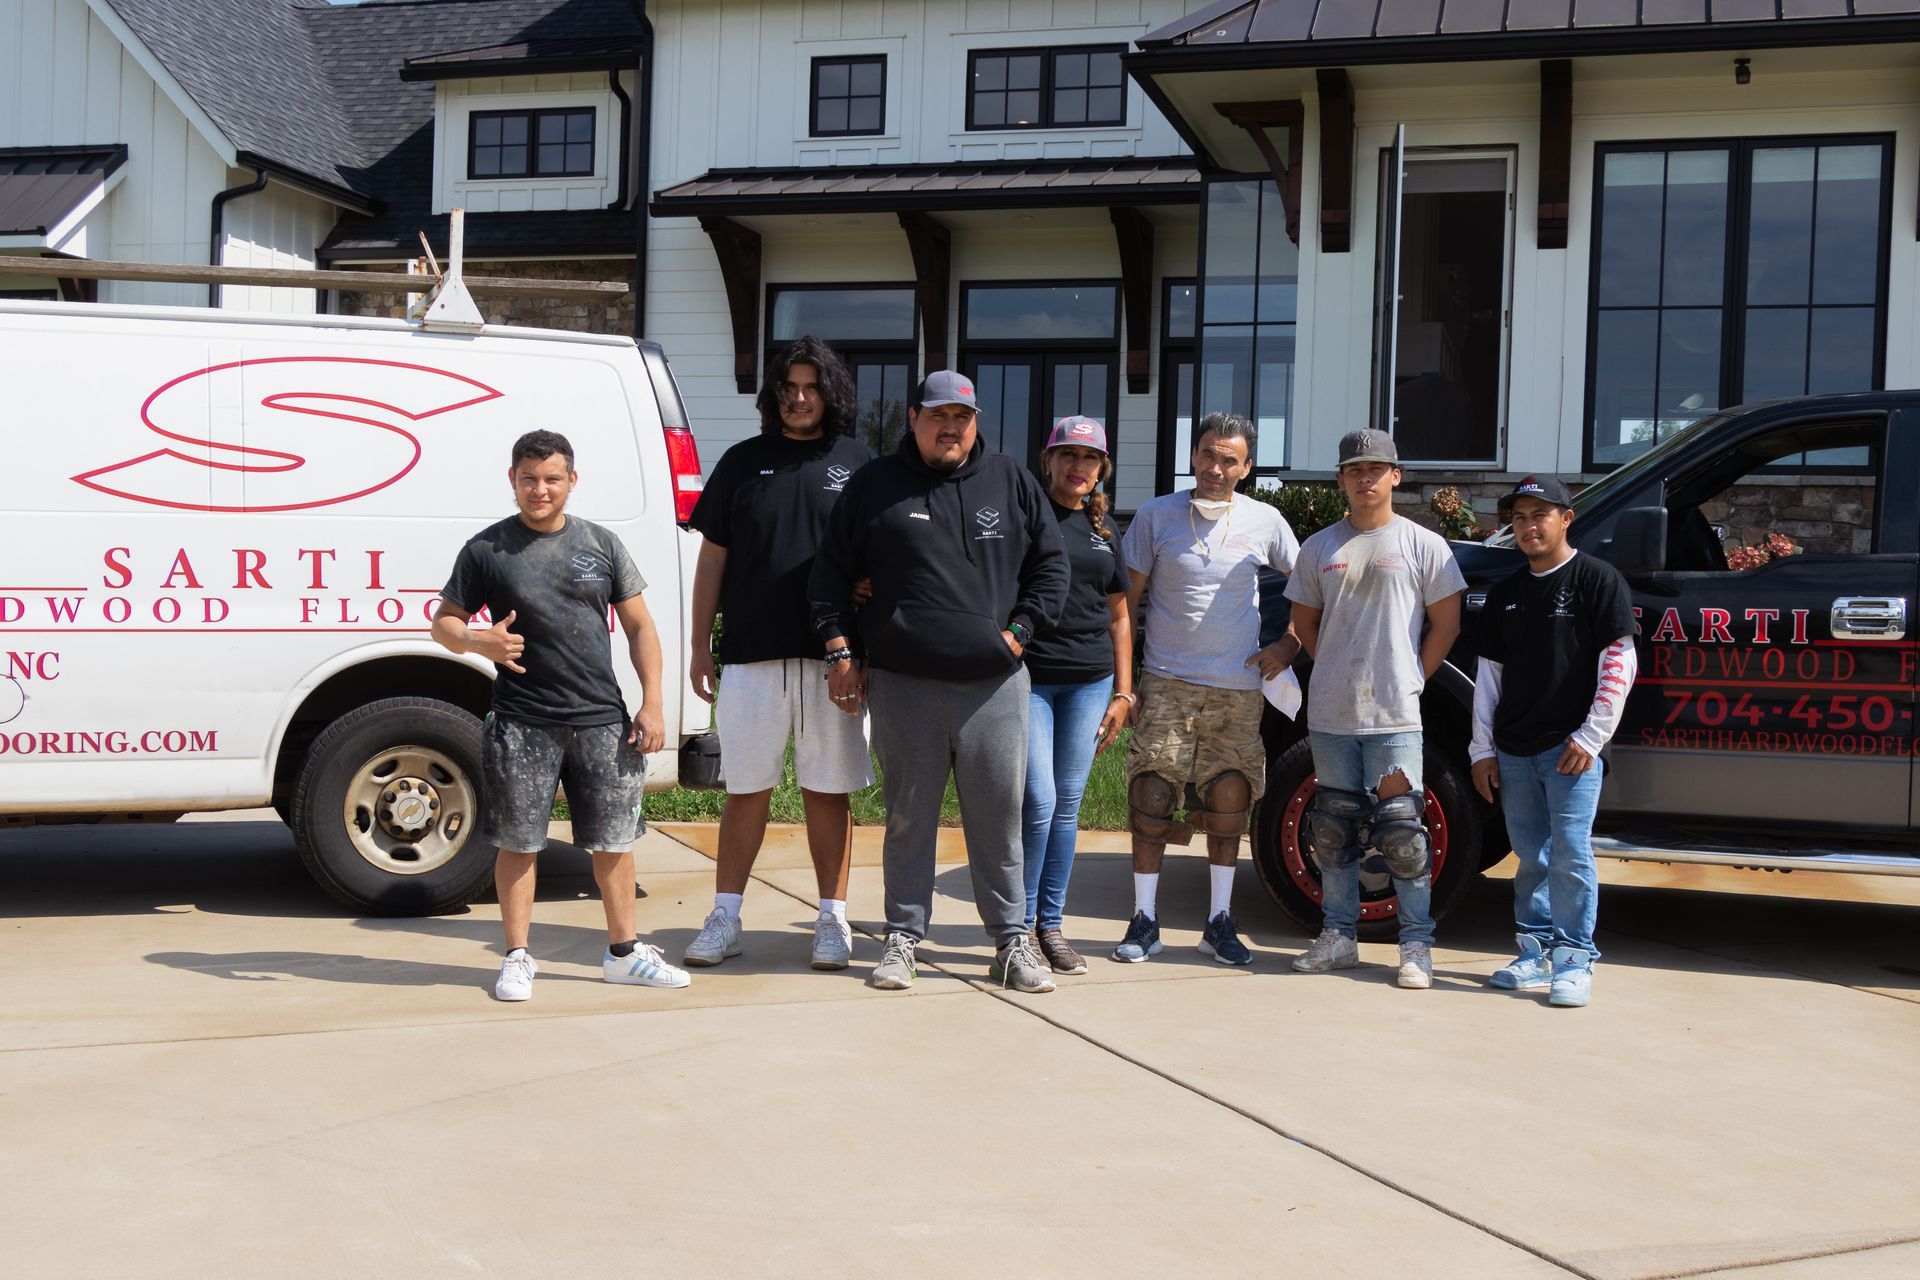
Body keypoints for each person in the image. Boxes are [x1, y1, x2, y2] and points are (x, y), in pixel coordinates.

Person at [808, 371, 1068, 994]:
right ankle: (902, 938)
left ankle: (1010, 941)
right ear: (913, 418)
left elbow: (1051, 567)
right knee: (908, 817)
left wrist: (1019, 633)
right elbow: (831, 571)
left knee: (999, 819)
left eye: (962, 417)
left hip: (994, 686)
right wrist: (840, 649)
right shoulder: (875, 484)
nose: (951, 428)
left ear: (975, 422)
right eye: (938, 415)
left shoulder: (1010, 481)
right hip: (904, 682)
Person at [431, 429, 690, 1002]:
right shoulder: (486, 549)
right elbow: (443, 624)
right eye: (529, 478)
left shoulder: (601, 543)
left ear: (572, 480)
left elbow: (641, 626)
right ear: (512, 480)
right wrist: (478, 640)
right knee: (519, 843)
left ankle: (624, 954)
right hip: (522, 720)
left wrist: (652, 702)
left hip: (601, 720)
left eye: (552, 478)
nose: (540, 489)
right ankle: (517, 958)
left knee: (614, 842)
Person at [682, 337, 876, 971]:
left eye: (812, 387)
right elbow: (713, 560)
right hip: (751, 655)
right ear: (773, 394)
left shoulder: (859, 463)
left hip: (834, 659)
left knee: (828, 791)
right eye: (789, 387)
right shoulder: (742, 462)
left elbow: (885, 551)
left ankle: (832, 921)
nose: (799, 398)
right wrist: (699, 646)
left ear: (831, 394)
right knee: (746, 789)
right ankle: (725, 917)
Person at [1115, 413, 1299, 966]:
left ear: (1246, 468)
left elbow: (1311, 585)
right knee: (1151, 796)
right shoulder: (1156, 515)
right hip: (1167, 681)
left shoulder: (1266, 520)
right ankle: (1144, 919)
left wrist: (1289, 643)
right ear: (1193, 456)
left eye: (1229, 460)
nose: (1216, 468)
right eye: (1208, 455)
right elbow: (1125, 600)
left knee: (1229, 800)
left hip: (1237, 687)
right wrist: (1127, 682)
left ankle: (1219, 921)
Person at [1288, 429, 1465, 989]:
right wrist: (1332, 664)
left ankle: (1416, 945)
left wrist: (1413, 678)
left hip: (1394, 714)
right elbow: (1303, 621)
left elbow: (1447, 622)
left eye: (1375, 469)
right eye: (1354, 470)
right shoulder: (1319, 548)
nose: (1365, 478)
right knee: (1332, 829)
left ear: (1396, 475)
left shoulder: (1422, 544)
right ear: (1341, 479)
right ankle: (1339, 936)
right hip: (1332, 712)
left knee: (1402, 833)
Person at [1470, 476, 1638, 1008]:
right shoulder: (1506, 593)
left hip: (1572, 751)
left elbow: (1620, 662)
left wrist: (1590, 737)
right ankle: (1535, 951)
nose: (1528, 527)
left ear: (1566, 519)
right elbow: (1489, 676)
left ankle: (1574, 959)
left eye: (1539, 515)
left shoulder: (1598, 579)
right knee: (1530, 856)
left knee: (1570, 854)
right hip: (1514, 750)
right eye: (1519, 518)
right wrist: (1482, 750)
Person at [1018, 416, 1133, 976]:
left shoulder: (1105, 528)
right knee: (1039, 802)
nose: (1078, 466)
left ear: (1101, 468)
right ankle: (1018, 928)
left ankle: (1050, 926)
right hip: (1032, 680)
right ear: (1049, 460)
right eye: (1068, 455)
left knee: (1067, 807)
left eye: (1089, 458)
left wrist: (1125, 692)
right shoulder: (1026, 517)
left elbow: (1119, 616)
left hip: (1090, 683)